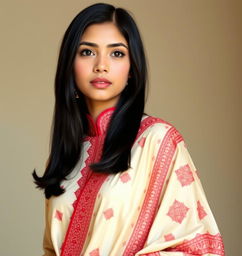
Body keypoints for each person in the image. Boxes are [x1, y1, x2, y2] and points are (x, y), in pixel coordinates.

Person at [33, 3, 225, 256]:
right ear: (70, 64)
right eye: (88, 52)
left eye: (117, 54)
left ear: (132, 69)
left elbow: (201, 249)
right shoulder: (64, 157)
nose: (101, 65)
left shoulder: (157, 140)